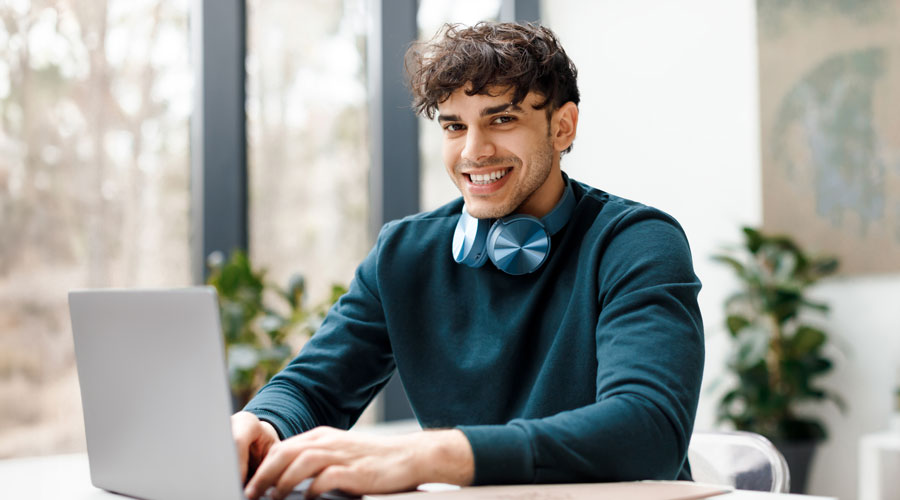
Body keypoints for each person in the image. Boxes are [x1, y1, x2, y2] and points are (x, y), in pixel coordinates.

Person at [233, 22, 704, 500]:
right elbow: (311, 390)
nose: (474, 152)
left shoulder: (637, 243)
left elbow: (648, 429)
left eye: (501, 120)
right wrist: (259, 424)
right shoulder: (404, 254)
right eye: (455, 126)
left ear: (562, 127)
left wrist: (428, 456)